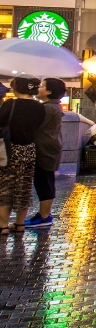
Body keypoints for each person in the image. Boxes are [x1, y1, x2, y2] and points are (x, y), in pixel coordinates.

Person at [0, 77, 45, 233]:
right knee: (24, 186)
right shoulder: (40, 108)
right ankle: (20, 224)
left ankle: (3, 225)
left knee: (6, 186)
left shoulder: (9, 105)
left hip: (10, 150)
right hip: (29, 149)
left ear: (17, 88)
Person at [24, 78, 66, 230]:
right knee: (45, 180)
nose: (38, 89)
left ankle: (44, 216)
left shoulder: (48, 108)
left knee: (44, 181)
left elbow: (33, 125)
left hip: (45, 149)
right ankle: (43, 215)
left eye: (42, 86)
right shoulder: (52, 106)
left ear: (49, 91)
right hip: (49, 148)